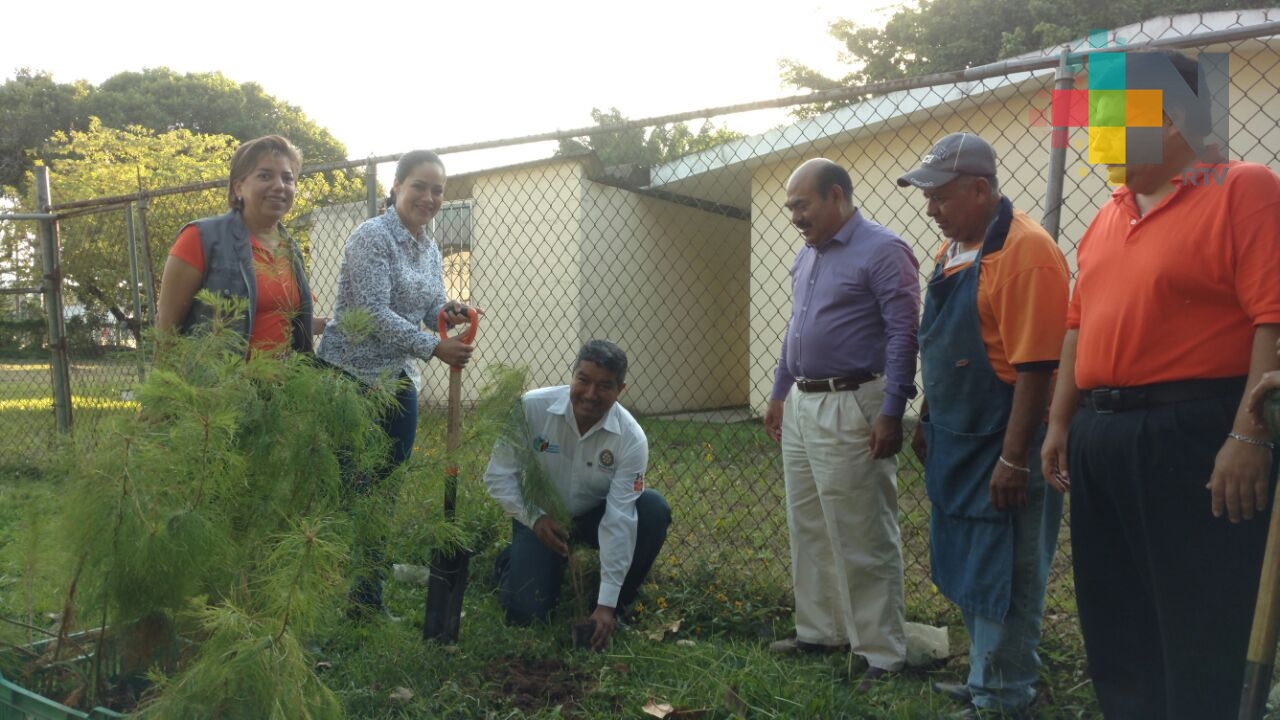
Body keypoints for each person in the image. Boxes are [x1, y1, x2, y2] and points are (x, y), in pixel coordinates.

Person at [1040, 49, 1280, 719]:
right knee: (1114, 614)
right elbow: (1076, 327)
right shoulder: (1108, 213)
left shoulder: (1244, 188)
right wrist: (1061, 425)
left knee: (1199, 618)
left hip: (1193, 431)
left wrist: (1247, 433)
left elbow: (1273, 317)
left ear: (1175, 119)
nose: (1101, 133)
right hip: (1101, 433)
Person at [898, 133, 1068, 719]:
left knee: (1010, 573)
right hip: (956, 438)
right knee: (973, 561)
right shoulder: (955, 251)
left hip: (1004, 441)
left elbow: (1037, 368)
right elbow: (941, 347)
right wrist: (926, 419)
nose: (931, 210)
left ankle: (1004, 696)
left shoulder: (1026, 253)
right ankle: (983, 675)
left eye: (940, 197)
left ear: (980, 189)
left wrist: (1015, 458)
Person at [763, 158, 919, 691]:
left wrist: (891, 409)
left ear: (836, 196)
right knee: (807, 524)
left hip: (854, 402)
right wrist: (780, 392)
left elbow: (903, 335)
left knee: (862, 531)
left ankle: (881, 653)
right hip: (805, 405)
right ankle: (820, 631)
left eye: (802, 205)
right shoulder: (806, 257)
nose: (795, 217)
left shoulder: (883, 250)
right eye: (790, 208)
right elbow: (795, 330)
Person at [317, 149, 477, 615]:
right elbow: (370, 312)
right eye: (419, 187)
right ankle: (321, 582)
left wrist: (446, 313)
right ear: (396, 187)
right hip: (350, 376)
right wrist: (433, 346)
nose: (429, 197)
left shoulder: (428, 244)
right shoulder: (372, 237)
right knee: (350, 488)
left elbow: (426, 305)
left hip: (398, 379)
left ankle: (365, 596)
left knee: (385, 489)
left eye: (438, 190)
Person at [484, 340, 671, 652]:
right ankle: (511, 562)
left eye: (604, 386)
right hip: (540, 517)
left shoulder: (631, 438)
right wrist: (535, 518)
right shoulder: (532, 408)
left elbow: (620, 518)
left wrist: (607, 604)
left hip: (594, 517)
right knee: (527, 614)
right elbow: (498, 476)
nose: (590, 394)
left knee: (652, 509)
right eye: (583, 381)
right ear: (572, 376)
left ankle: (611, 606)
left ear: (620, 389)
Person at [156, 135, 323, 353]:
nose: (279, 186)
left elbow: (281, 323)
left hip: (285, 385)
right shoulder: (200, 238)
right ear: (238, 188)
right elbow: (166, 329)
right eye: (265, 176)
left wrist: (334, 325)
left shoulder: (291, 250)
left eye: (287, 178)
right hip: (219, 385)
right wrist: (165, 386)